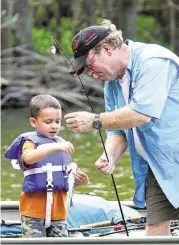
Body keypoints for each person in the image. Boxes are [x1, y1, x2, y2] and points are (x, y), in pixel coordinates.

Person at [64, 19, 179, 236]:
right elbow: (118, 130)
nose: (89, 73)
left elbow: (141, 114)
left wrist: (94, 120)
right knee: (155, 231)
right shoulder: (112, 83)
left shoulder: (152, 61)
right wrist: (110, 156)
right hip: (159, 166)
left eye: (88, 66)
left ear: (106, 50)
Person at [5, 94, 89, 238]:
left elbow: (66, 176)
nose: (54, 126)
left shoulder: (61, 144)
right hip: (33, 214)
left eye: (57, 121)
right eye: (48, 121)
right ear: (33, 122)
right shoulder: (30, 142)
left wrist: (81, 180)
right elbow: (28, 158)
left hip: (59, 214)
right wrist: (55, 147)